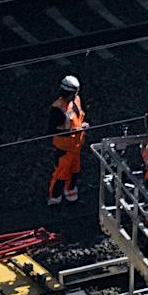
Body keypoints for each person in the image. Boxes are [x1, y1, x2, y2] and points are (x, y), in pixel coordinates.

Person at [48, 74, 86, 206]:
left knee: (75, 170)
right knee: (60, 174)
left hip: (76, 146)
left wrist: (82, 125)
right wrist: (69, 132)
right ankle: (54, 198)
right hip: (63, 148)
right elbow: (51, 131)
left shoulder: (76, 101)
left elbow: (77, 119)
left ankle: (70, 192)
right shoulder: (57, 108)